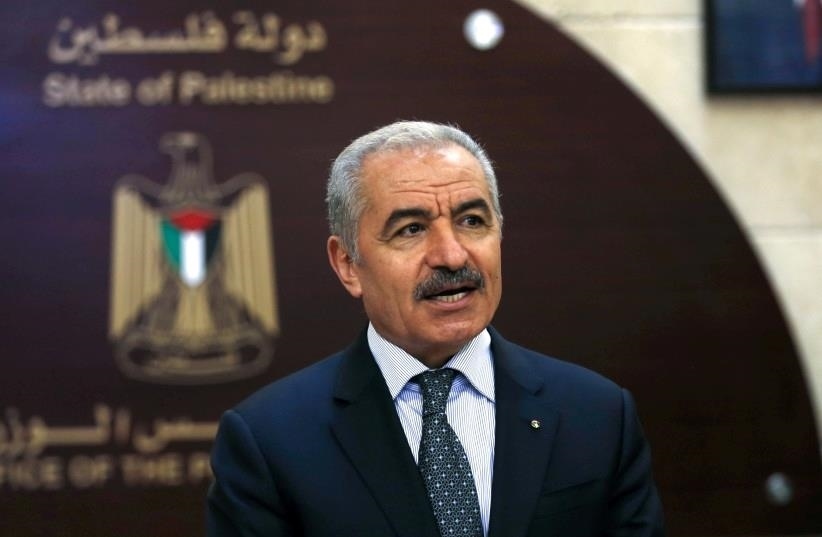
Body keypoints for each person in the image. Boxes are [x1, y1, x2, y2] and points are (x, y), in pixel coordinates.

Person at [207, 121, 665, 537]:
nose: (452, 255)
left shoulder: (597, 414)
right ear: (347, 264)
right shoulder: (270, 439)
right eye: (411, 229)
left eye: (472, 221)